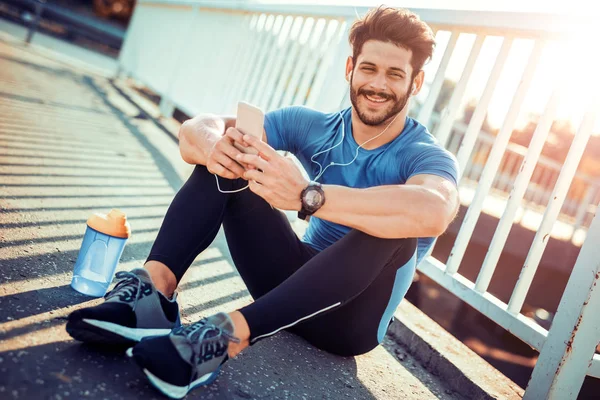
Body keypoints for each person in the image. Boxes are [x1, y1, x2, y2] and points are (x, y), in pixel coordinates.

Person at [66, 6, 459, 399]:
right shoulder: (316, 125)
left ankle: (221, 339)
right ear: (349, 69)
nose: (378, 84)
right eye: (369, 68)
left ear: (416, 82)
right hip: (286, 288)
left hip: (350, 324)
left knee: (397, 230)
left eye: (395, 74)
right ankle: (154, 295)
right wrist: (214, 147)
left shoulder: (424, 155)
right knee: (231, 153)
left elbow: (435, 209)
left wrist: (309, 196)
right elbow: (196, 129)